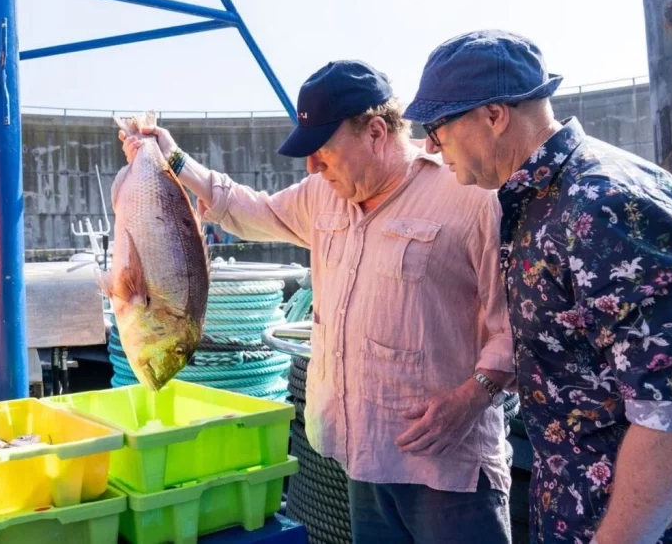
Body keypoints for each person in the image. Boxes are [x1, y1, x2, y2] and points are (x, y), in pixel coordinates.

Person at [120, 60, 516, 543]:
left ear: (375, 131)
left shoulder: (472, 197)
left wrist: (470, 397)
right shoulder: (321, 195)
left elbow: (515, 327)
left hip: (447, 473)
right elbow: (252, 210)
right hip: (363, 459)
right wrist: (175, 161)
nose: (312, 165)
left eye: (324, 149)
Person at [404, 29, 672, 544]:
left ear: (494, 115)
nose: (430, 146)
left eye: (437, 126)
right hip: (581, 510)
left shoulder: (602, 205)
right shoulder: (541, 197)